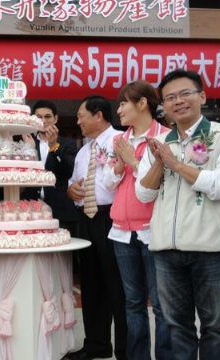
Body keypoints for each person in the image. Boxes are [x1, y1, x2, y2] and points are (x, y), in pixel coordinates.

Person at [136, 69, 220, 359]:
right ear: (164, 106)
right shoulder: (159, 143)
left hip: (211, 249)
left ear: (202, 96)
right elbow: (143, 193)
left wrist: (177, 164)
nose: (178, 101)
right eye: (170, 97)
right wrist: (161, 162)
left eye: (185, 93)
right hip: (166, 251)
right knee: (176, 327)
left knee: (213, 327)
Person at [102, 81, 171, 360]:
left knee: (161, 306)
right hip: (121, 232)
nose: (118, 110)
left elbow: (154, 186)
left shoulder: (166, 138)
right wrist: (119, 164)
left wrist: (132, 161)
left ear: (142, 103)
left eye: (123, 104)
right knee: (132, 303)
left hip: (153, 231)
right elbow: (107, 184)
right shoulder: (118, 140)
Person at [66, 95, 126, 360]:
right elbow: (74, 182)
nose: (78, 120)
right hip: (86, 219)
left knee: (118, 286)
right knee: (91, 284)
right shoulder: (83, 151)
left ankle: (126, 349)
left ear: (98, 115)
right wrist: (71, 190)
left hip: (112, 217)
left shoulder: (120, 142)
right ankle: (97, 344)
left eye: (81, 115)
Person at [22, 100, 78, 234]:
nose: (43, 120)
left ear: (56, 118)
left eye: (47, 116)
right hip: (31, 209)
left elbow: (69, 170)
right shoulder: (25, 142)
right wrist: (29, 151)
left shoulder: (67, 143)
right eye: (38, 117)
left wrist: (54, 146)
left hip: (61, 210)